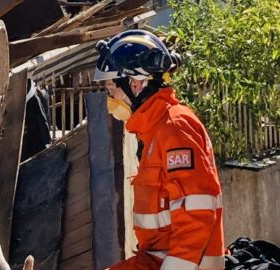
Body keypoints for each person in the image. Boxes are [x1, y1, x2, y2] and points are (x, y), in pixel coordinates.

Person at [94, 29, 225, 270]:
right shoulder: (153, 131)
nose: (109, 100)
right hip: (155, 260)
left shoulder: (174, 126)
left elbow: (197, 218)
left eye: (112, 90)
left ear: (135, 83)